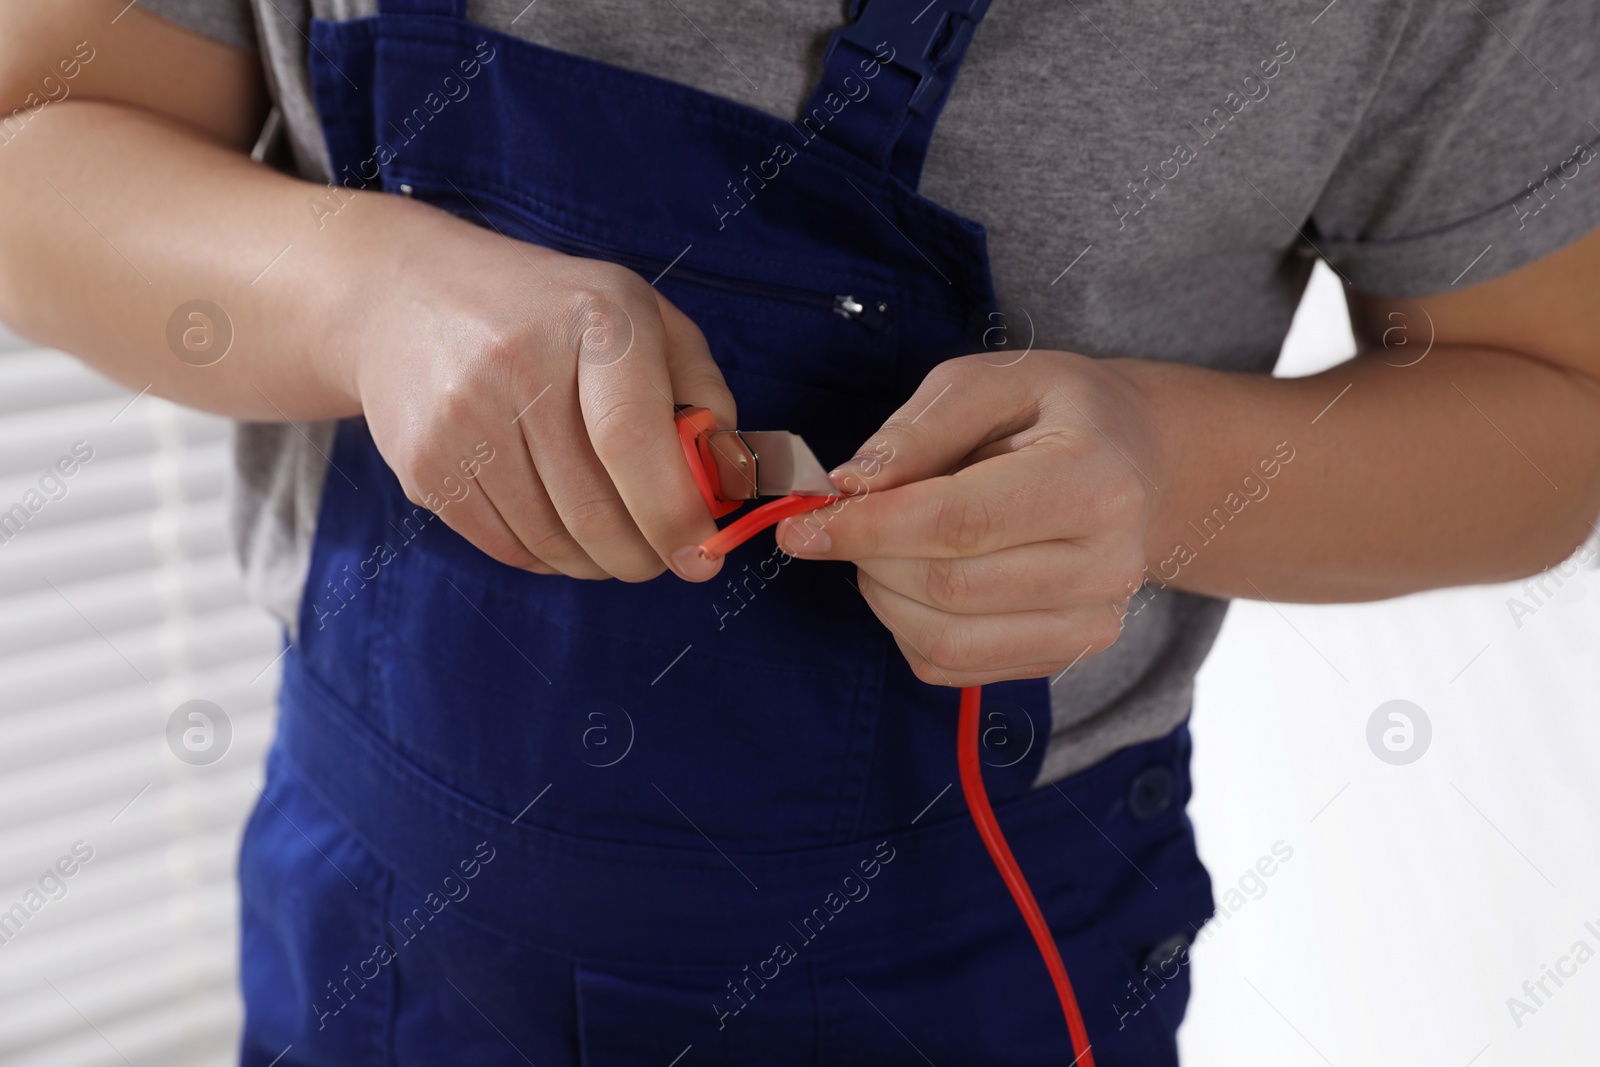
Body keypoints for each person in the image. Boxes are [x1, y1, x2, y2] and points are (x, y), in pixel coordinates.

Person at [2, 0, 1598, 1063]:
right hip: (375, 918)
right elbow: (36, 148)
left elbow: (1553, 401)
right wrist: (364, 295)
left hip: (958, 964)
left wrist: (1170, 470)